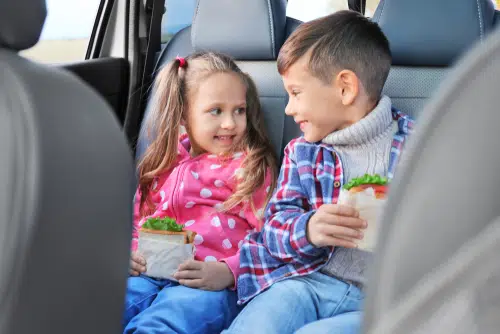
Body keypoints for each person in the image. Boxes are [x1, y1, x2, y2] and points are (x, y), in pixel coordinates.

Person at [224, 10, 414, 334]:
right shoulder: (302, 153)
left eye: (296, 93)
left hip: (383, 301)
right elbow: (273, 228)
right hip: (306, 283)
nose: (288, 108)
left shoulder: (417, 148)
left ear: (344, 88)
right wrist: (308, 228)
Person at [123, 51, 278, 334]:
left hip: (210, 285)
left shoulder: (251, 166)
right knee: (105, 304)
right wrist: (129, 252)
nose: (230, 123)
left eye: (239, 110)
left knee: (160, 324)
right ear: (184, 114)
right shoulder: (162, 163)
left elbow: (272, 240)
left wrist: (229, 271)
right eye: (216, 111)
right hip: (149, 272)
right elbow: (137, 224)